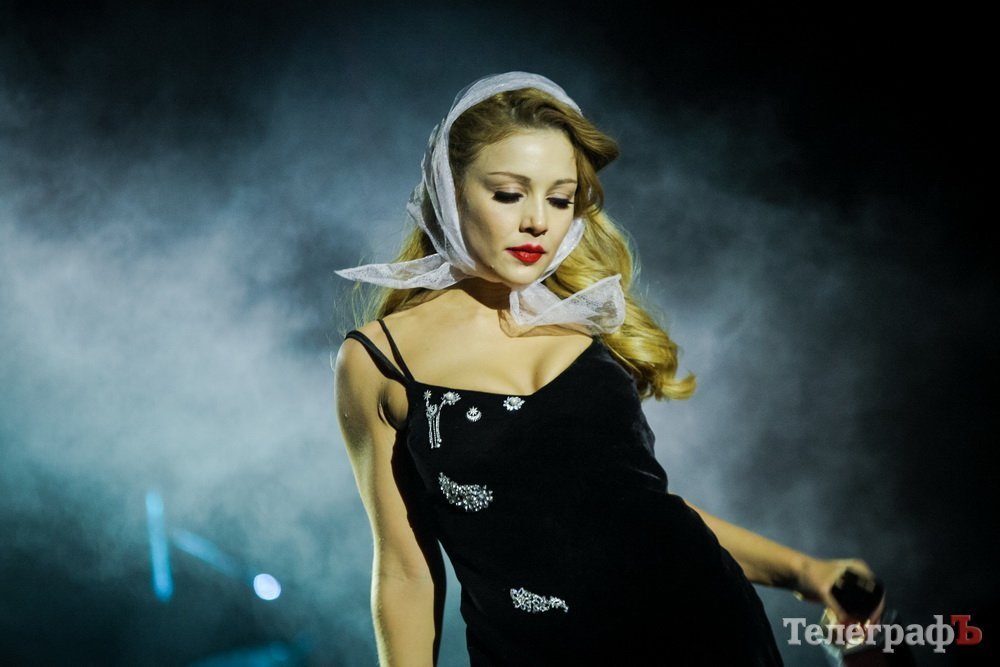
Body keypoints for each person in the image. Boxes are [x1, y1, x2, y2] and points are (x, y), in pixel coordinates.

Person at [333, 72, 881, 666]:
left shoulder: (586, 320)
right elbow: (405, 571)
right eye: (509, 194)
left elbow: (634, 506)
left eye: (560, 198)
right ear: (448, 190)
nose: (538, 221)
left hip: (711, 635)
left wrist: (804, 571)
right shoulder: (378, 360)